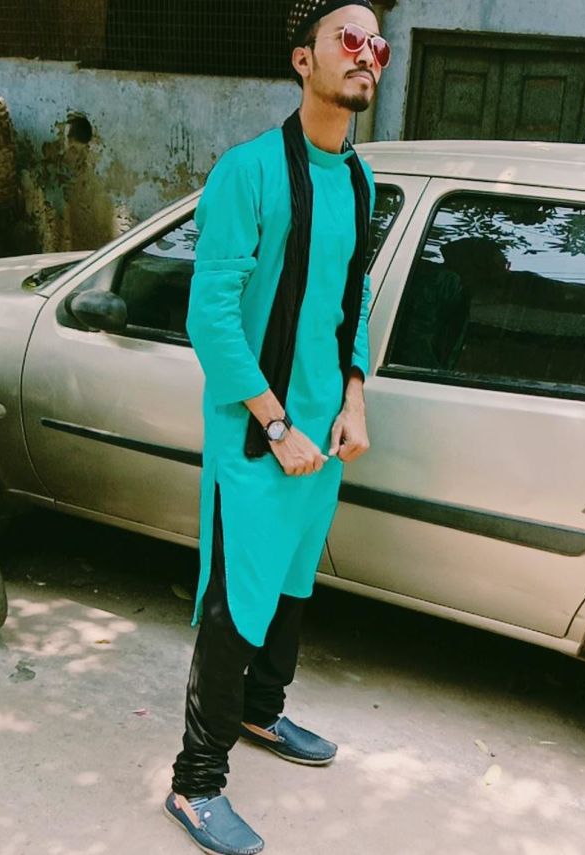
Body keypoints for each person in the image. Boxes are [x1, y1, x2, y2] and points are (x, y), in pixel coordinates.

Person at [164, 2, 389, 852]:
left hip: (322, 434)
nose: (366, 55)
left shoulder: (360, 180)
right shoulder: (248, 172)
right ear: (303, 60)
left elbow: (349, 300)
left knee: (294, 585)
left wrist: (353, 396)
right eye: (348, 39)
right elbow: (211, 318)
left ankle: (263, 710)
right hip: (258, 439)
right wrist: (277, 421)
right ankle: (196, 783)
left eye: (377, 44)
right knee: (237, 605)